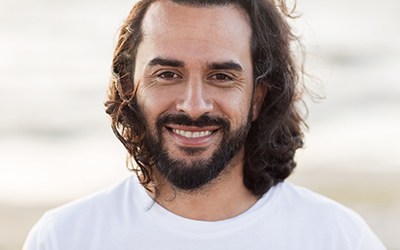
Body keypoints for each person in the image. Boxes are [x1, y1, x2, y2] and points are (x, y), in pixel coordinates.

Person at [24, 0, 385, 249]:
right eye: (167, 74)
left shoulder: (336, 238)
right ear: (129, 88)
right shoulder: (65, 238)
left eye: (222, 76)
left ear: (258, 97)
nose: (193, 105)